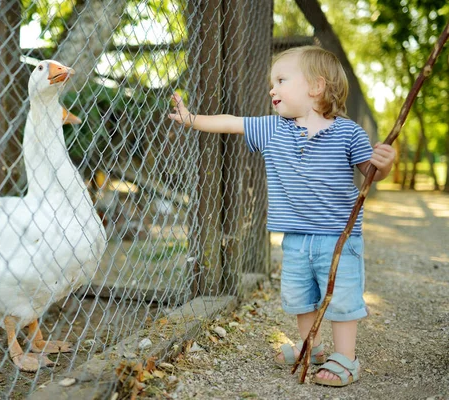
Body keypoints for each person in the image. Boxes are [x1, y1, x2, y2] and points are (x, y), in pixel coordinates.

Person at [168, 45, 395, 387]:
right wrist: (191, 120)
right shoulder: (273, 129)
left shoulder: (349, 133)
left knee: (343, 297)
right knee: (300, 297)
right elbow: (231, 123)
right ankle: (311, 348)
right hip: (294, 238)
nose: (272, 89)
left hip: (339, 237)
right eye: (272, 82)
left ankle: (346, 359)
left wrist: (384, 164)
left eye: (281, 80)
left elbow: (370, 174)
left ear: (315, 87)